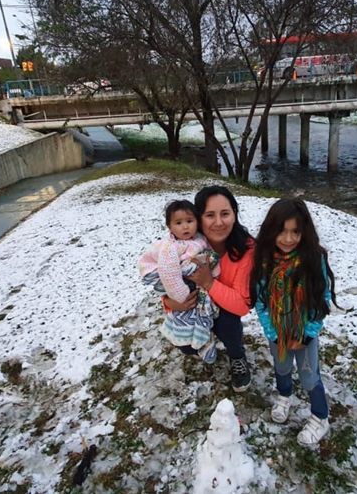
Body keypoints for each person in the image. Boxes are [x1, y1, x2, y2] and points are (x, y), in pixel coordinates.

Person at [250, 198, 341, 446]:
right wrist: (274, 333)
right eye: (282, 231)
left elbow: (321, 298)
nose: (288, 239)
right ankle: (284, 395)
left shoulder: (313, 259)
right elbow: (260, 301)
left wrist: (306, 335)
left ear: (304, 231)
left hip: (304, 333)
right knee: (281, 367)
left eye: (295, 232)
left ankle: (320, 417)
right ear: (271, 230)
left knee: (309, 375)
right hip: (277, 333)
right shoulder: (264, 261)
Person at [164, 186, 254, 392]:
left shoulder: (246, 250)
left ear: (234, 214)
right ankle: (203, 341)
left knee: (229, 322)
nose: (219, 222)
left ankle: (237, 355)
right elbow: (166, 280)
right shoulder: (184, 245)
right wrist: (169, 302)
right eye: (210, 215)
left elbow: (242, 306)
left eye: (225, 214)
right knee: (185, 345)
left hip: (225, 310)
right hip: (193, 306)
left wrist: (209, 283)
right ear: (198, 218)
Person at [139, 200, 220, 363]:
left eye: (189, 221)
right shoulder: (171, 247)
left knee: (203, 315)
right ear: (169, 226)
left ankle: (203, 340)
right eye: (178, 223)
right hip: (183, 290)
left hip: (201, 284)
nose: (185, 227)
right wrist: (181, 297)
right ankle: (196, 344)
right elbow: (169, 272)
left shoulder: (200, 239)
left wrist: (214, 273)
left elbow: (212, 256)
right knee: (187, 321)